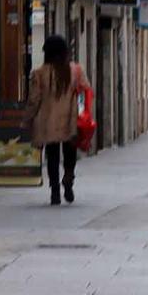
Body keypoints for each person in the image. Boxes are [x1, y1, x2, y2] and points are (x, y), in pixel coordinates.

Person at [26, 35, 90, 205]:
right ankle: (68, 179)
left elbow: (34, 99)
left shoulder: (39, 74)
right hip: (70, 119)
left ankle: (54, 191)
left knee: (52, 155)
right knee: (70, 153)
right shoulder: (76, 71)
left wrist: (28, 118)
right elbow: (85, 92)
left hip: (48, 122)